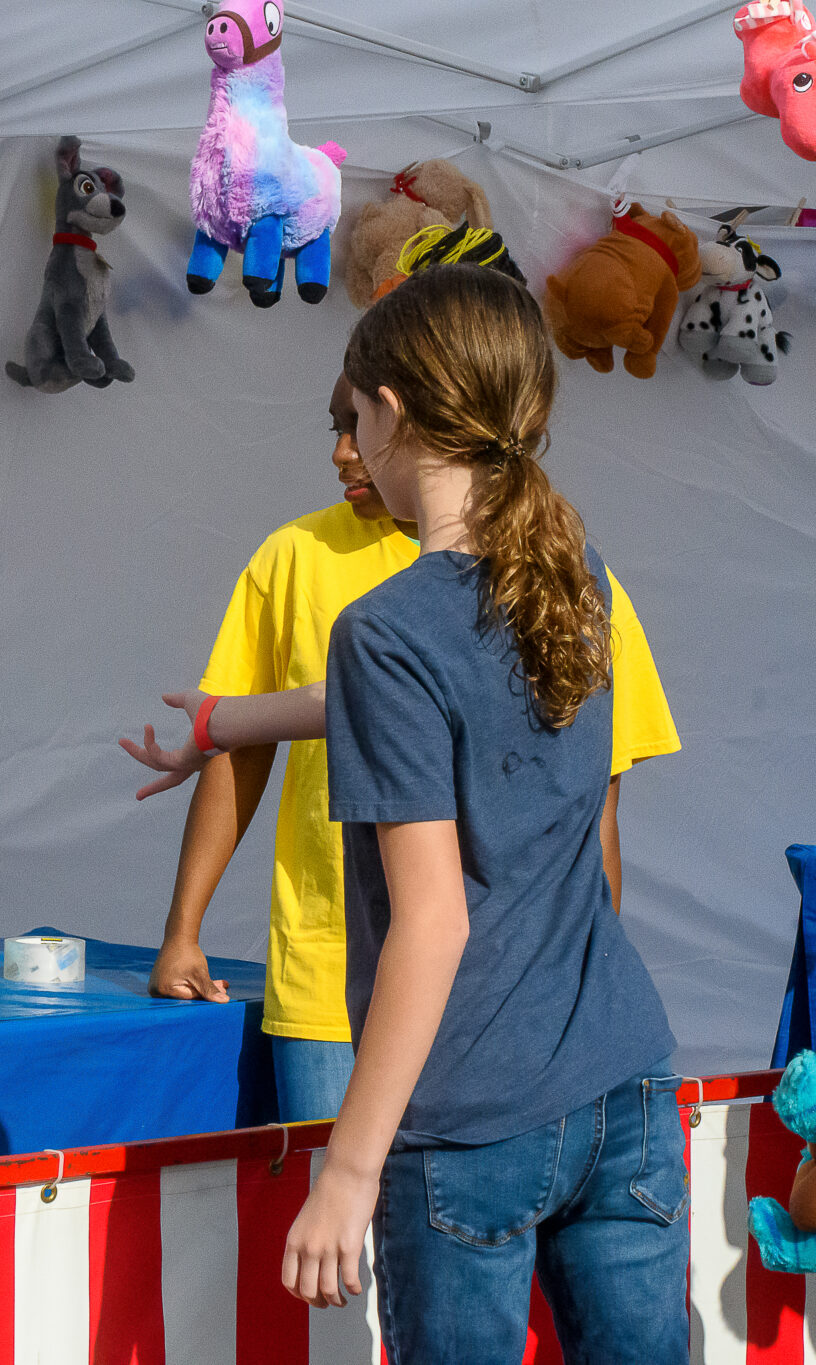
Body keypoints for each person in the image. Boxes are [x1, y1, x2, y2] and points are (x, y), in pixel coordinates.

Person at [125, 265, 687, 1360]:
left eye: (350, 416)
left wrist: (347, 1169)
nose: (346, 442)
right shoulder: (572, 571)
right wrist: (227, 722)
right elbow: (424, 686)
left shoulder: (385, 628)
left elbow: (432, 921)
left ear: (390, 411)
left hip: (469, 1118)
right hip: (623, 1084)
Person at [131, 373, 678, 1125]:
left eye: (357, 423)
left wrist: (579, 985)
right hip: (331, 986)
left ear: (414, 419)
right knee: (358, 1198)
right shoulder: (295, 556)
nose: (341, 451)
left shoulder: (563, 575)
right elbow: (253, 742)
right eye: (335, 425)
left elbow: (596, 800)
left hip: (501, 1002)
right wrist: (181, 931)